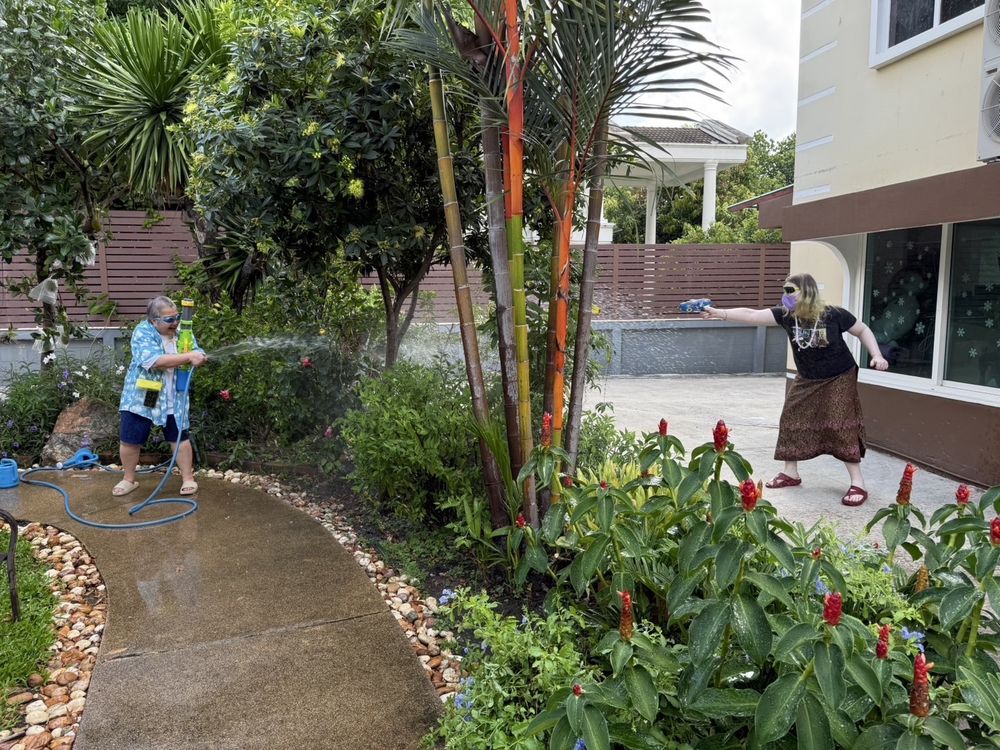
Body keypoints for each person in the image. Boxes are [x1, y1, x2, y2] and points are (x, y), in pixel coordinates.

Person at [701, 273, 889, 506]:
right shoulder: (787, 315)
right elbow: (752, 314)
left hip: (839, 375)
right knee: (791, 417)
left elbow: (861, 330)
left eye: (790, 291)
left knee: (840, 423)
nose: (785, 295)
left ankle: (857, 482)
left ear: (807, 292)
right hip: (807, 377)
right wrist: (720, 313)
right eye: (784, 290)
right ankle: (791, 473)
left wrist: (877, 355)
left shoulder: (834, 314)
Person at [113, 296, 208, 497]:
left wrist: (198, 355)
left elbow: (195, 349)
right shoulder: (143, 332)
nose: (175, 323)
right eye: (169, 320)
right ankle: (128, 479)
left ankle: (188, 479)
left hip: (175, 393)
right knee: (132, 436)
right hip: (148, 393)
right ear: (154, 320)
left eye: (177, 317)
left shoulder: (183, 331)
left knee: (179, 435)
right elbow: (153, 360)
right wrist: (189, 357)